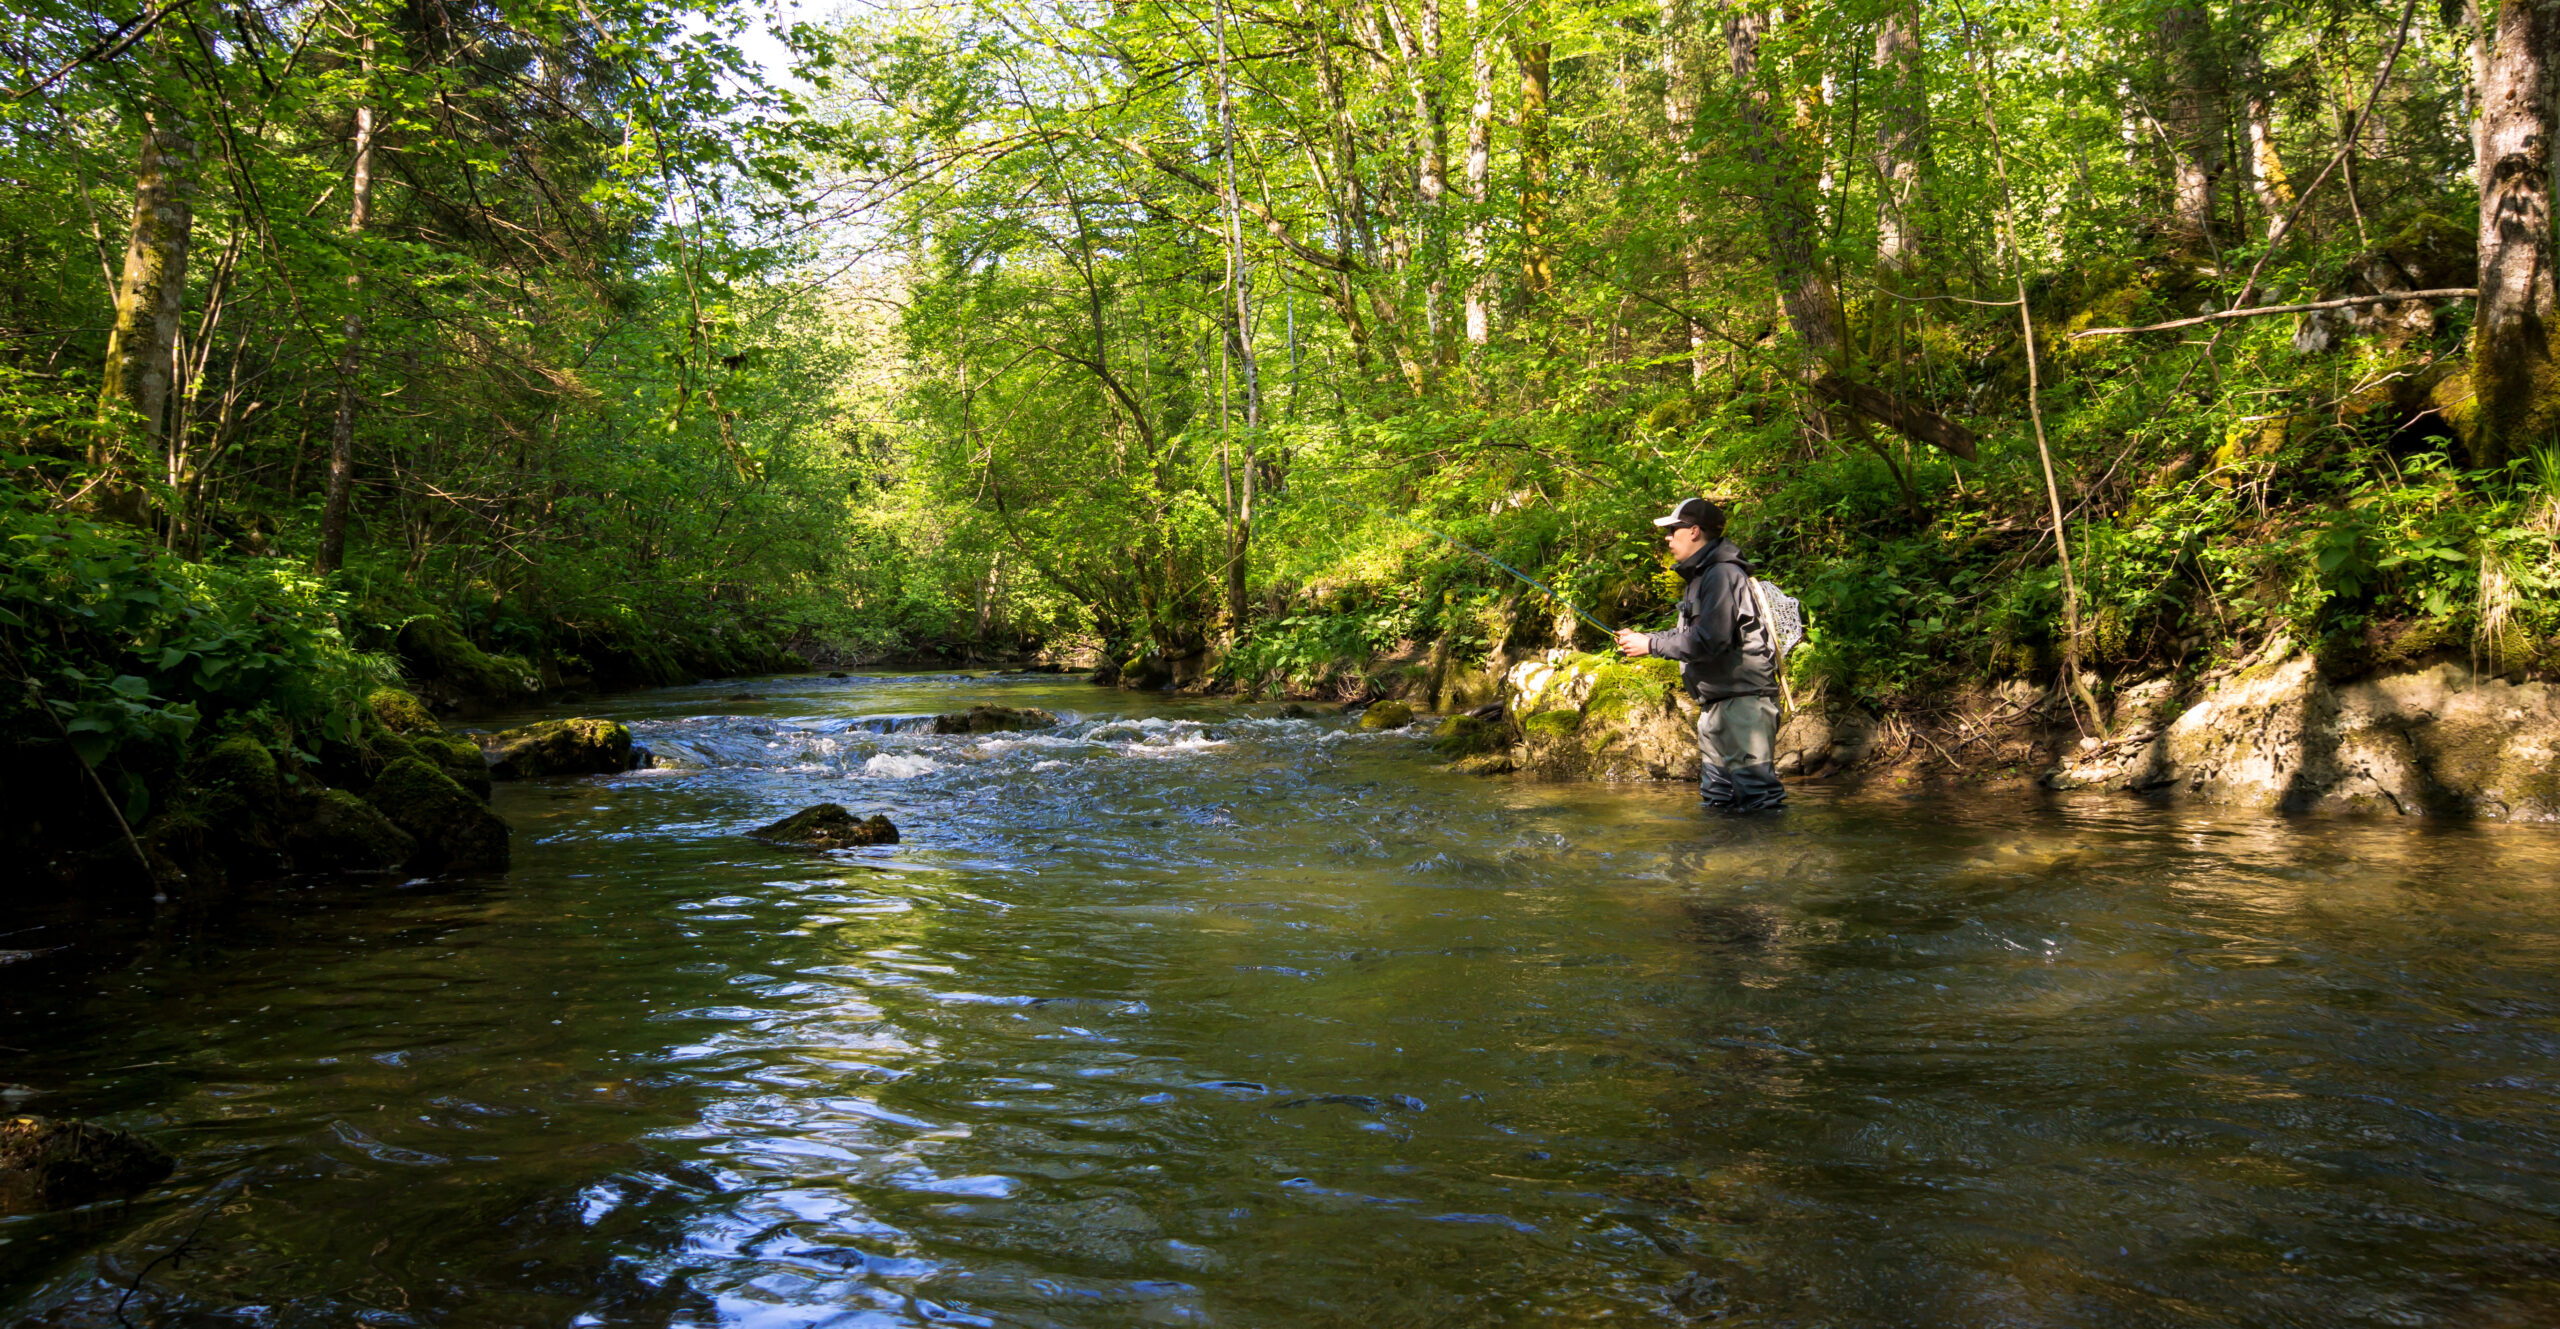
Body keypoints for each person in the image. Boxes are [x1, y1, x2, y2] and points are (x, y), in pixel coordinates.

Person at [1613, 497, 1786, 811]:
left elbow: (1710, 640)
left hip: (1743, 706)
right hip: (1719, 705)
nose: (1667, 538)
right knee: (1718, 799)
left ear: (1694, 532)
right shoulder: (1702, 577)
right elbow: (1688, 636)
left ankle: (1769, 860)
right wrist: (1644, 639)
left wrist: (1650, 645)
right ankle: (1721, 859)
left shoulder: (1722, 574)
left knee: (1759, 800)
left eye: (1673, 530)